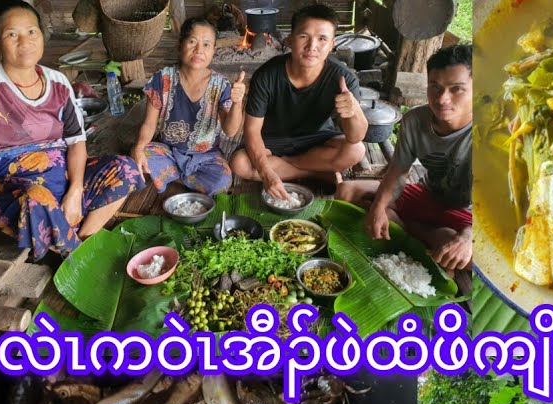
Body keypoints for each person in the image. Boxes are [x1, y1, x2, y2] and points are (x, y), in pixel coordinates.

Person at [0, 0, 142, 259]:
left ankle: (82, 238)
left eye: (31, 31)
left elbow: (75, 142)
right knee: (36, 199)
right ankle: (76, 255)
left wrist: (75, 190)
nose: (25, 41)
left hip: (60, 174)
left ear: (41, 34)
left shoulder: (58, 82)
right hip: (9, 187)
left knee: (125, 169)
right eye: (11, 34)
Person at [335, 44, 472, 279]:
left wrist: (469, 237)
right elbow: (397, 173)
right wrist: (378, 208)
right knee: (348, 190)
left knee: (472, 257)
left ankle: (413, 231)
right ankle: (423, 235)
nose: (442, 98)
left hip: (468, 215)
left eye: (457, 89)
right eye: (435, 87)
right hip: (427, 195)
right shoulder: (414, 121)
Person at [230, 3, 365, 200]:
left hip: (318, 140)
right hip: (272, 142)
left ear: (332, 44)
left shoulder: (343, 79)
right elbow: (251, 131)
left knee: (356, 150)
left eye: (322, 39)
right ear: (291, 39)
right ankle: (315, 173)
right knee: (239, 163)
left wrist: (354, 112)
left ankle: (290, 167)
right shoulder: (267, 75)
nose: (312, 47)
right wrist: (267, 174)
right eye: (304, 36)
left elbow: (356, 136)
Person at [131, 17, 243, 196]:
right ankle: (187, 178)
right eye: (192, 42)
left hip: (206, 156)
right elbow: (149, 124)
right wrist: (138, 148)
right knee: (140, 156)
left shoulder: (221, 85)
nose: (199, 50)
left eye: (206, 45)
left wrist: (237, 103)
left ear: (214, 50)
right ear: (180, 44)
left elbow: (230, 131)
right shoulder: (162, 79)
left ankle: (172, 177)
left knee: (222, 180)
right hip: (168, 151)